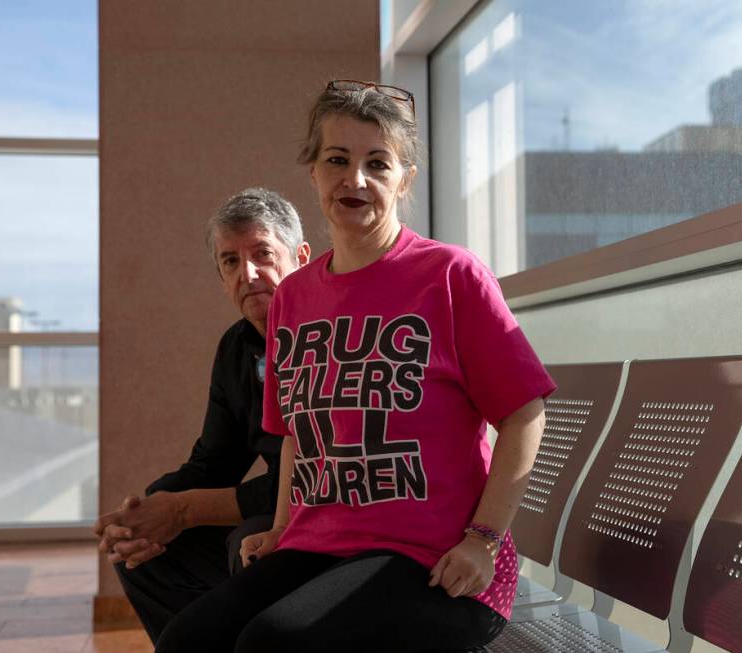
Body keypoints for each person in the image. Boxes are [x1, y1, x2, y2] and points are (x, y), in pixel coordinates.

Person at [155, 80, 555, 653]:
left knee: (274, 644)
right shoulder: (294, 297)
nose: (356, 180)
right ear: (313, 172)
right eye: (337, 160)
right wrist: (281, 527)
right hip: (318, 547)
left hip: (440, 562)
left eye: (378, 163)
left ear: (404, 180)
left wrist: (483, 541)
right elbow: (297, 434)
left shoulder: (450, 276)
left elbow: (524, 412)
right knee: (187, 641)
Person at [93, 187, 310, 644]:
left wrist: (184, 509)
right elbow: (214, 461)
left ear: (302, 258)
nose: (248, 274)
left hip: (323, 512)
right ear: (220, 276)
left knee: (248, 543)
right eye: (230, 261)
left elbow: (318, 475)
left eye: (263, 254)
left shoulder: (330, 335)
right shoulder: (235, 346)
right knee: (145, 553)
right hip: (271, 504)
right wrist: (147, 509)